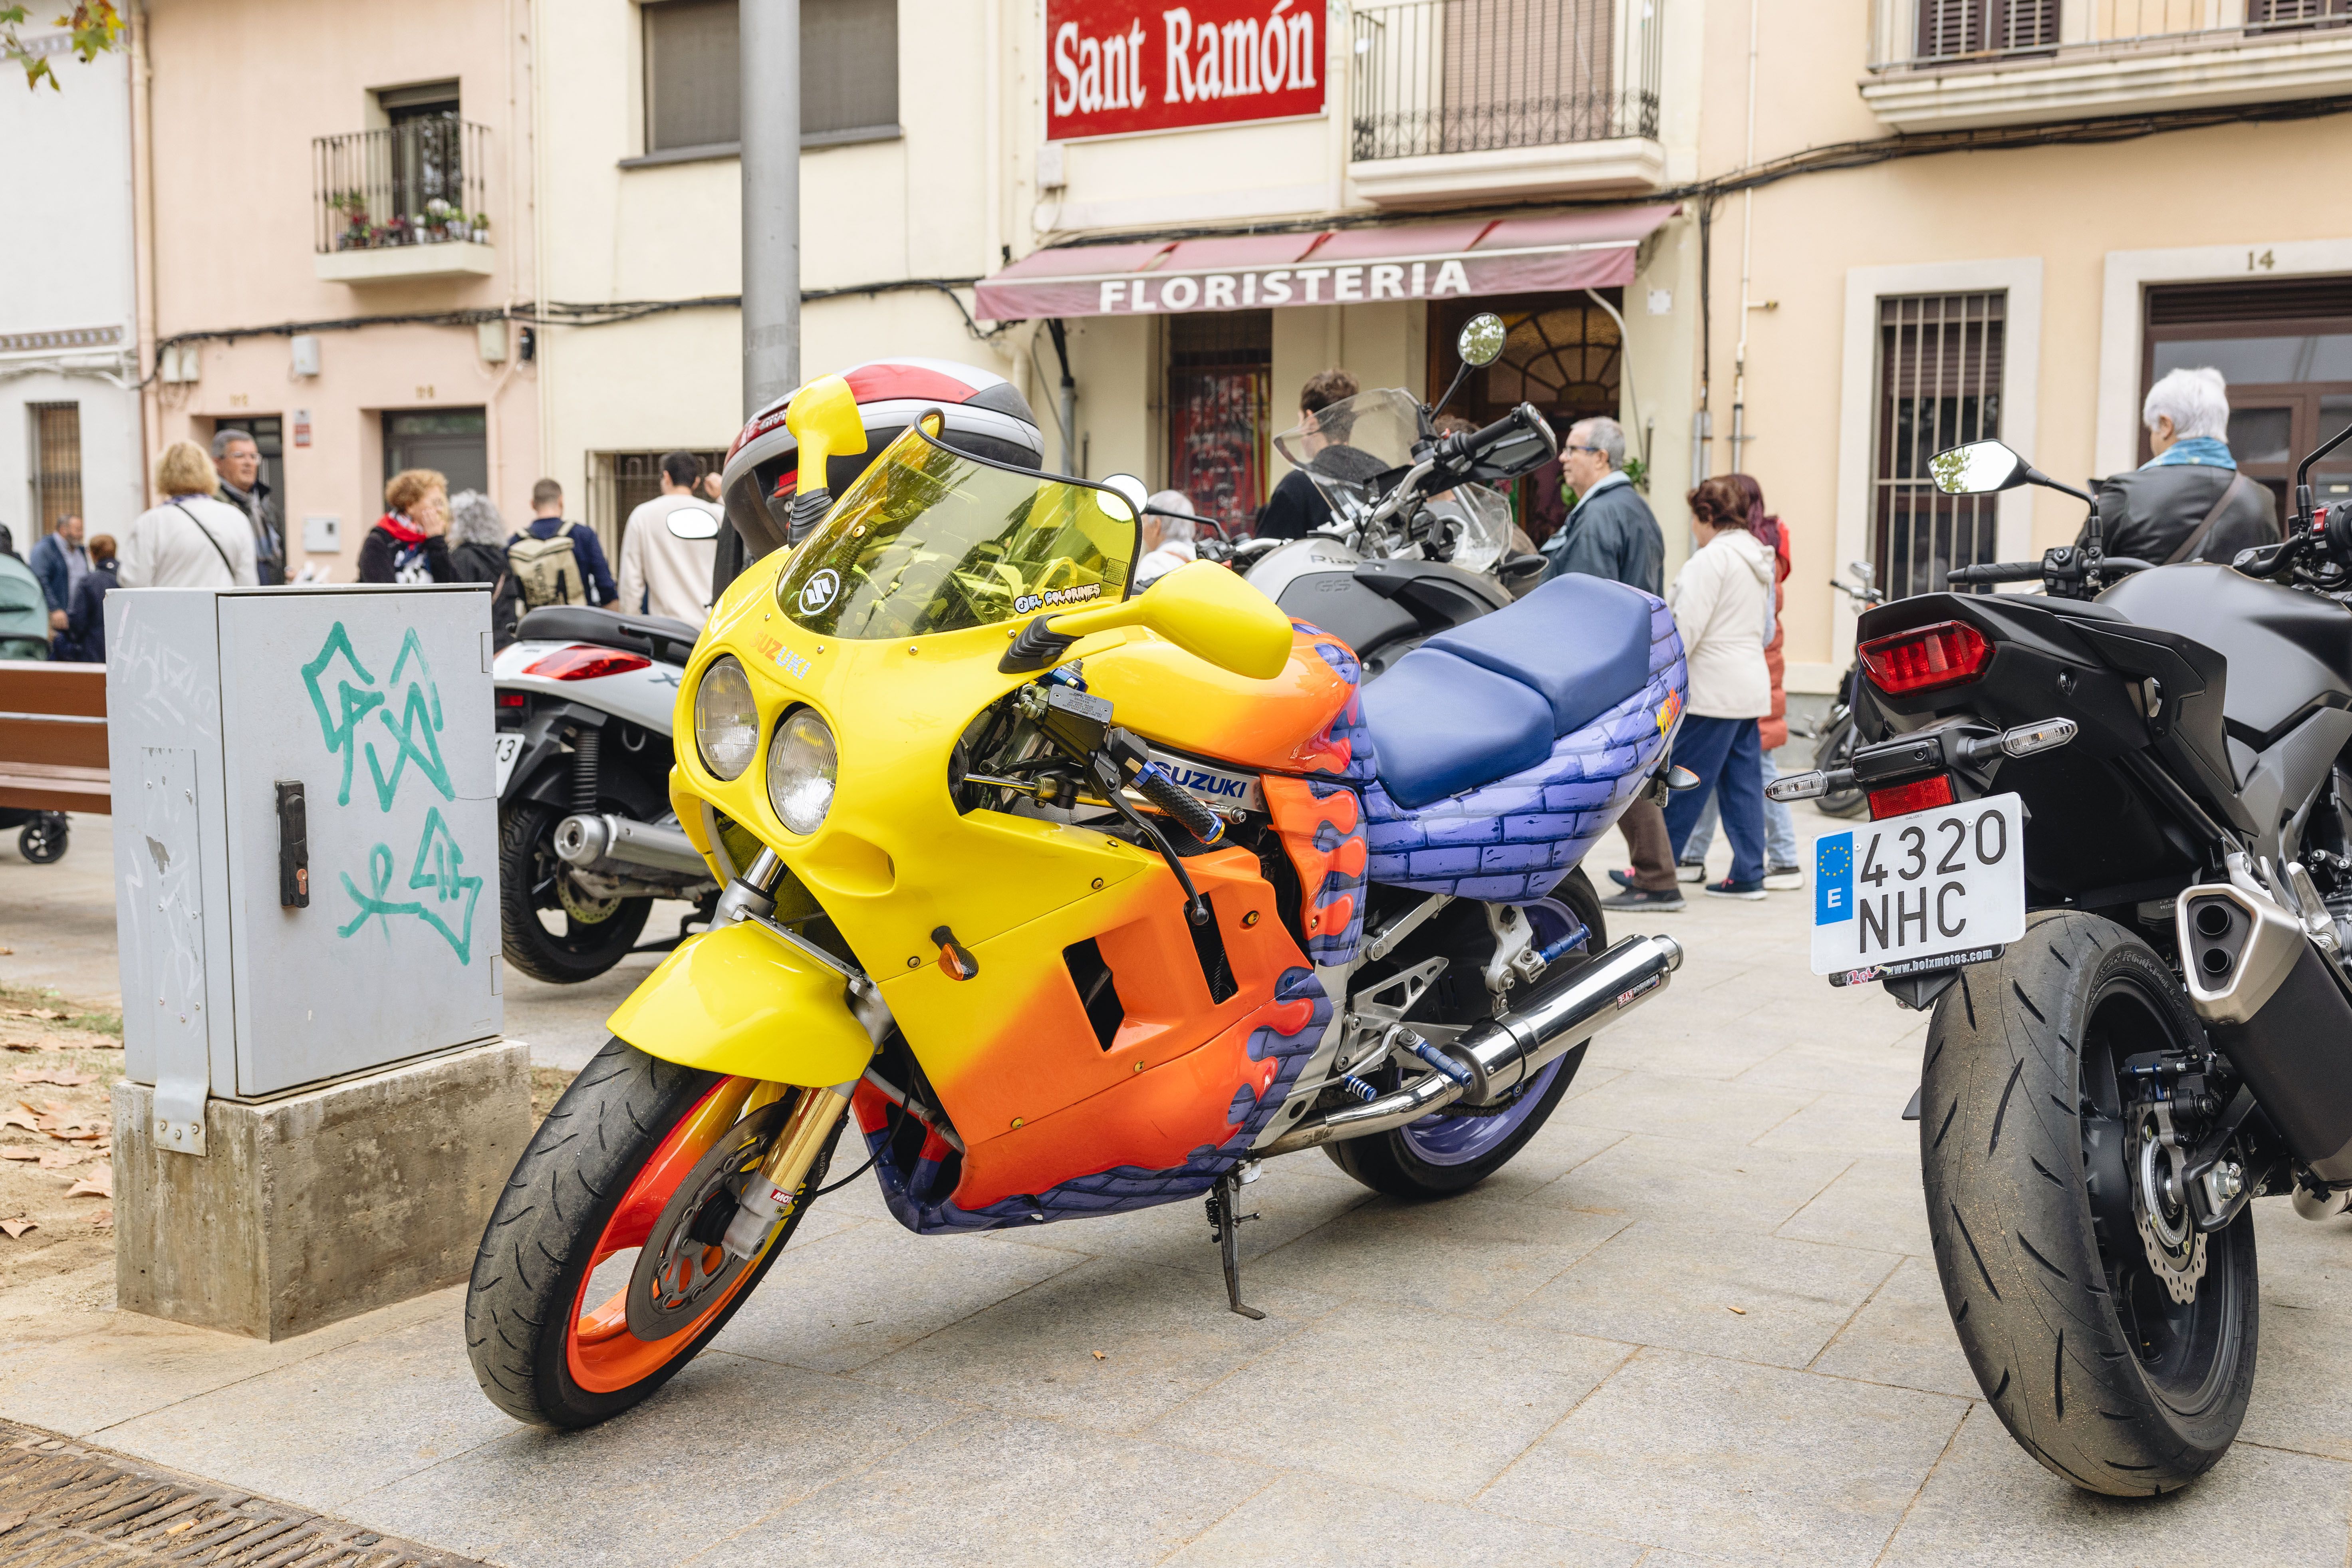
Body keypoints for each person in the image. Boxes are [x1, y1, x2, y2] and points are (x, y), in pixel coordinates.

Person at [1669, 474, 1805, 891]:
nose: (1692, 528)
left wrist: (1663, 673)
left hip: (1712, 691)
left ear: (1708, 516)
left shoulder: (1711, 560)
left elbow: (1684, 626)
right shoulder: (1756, 557)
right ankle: (1749, 873)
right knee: (1742, 786)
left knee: (1683, 782)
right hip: (1748, 687)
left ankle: (1655, 872)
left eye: (1694, 518)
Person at [2083, 366, 2278, 566]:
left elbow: (2076, 575)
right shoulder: (2261, 499)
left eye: (2152, 430)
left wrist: (2103, 511)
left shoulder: (2125, 492)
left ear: (2166, 425)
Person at [1541, 416, 1662, 593]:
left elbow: (1585, 602)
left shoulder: (1598, 515)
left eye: (1571, 450)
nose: (1562, 458)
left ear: (1600, 458)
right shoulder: (1637, 506)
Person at [119, 441, 258, 589]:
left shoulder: (150, 522)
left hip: (169, 611)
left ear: (163, 475)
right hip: (221, 610)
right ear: (209, 471)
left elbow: (134, 583)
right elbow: (247, 585)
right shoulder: (236, 518)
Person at [617, 452, 721, 625]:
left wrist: (631, 624)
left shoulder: (642, 515)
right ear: (696, 482)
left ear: (666, 477)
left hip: (668, 631)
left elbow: (631, 584)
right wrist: (721, 494)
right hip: (713, 626)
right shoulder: (717, 513)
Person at [1256, 369, 1360, 539]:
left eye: (1300, 420)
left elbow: (1267, 559)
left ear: (1311, 422)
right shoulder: (1378, 474)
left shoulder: (1297, 487)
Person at [509, 478, 615, 610]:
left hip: (534, 625)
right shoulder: (583, 535)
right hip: (578, 624)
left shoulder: (515, 542)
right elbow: (605, 586)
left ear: (533, 504)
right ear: (561, 501)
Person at [446, 490, 524, 648]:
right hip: (506, 644)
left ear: (463, 523)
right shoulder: (500, 556)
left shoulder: (462, 557)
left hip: (478, 646)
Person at [212, 427, 286, 586]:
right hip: (231, 601)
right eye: (239, 456)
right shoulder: (213, 508)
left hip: (268, 599)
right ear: (217, 463)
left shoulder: (266, 508)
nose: (249, 463)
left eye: (254, 457)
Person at [358, 469, 456, 584]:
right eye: (435, 503)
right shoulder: (379, 542)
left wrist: (436, 541)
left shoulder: (432, 540)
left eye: (441, 504)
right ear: (410, 505)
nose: (440, 510)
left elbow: (454, 589)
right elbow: (383, 596)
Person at [27, 514, 88, 651]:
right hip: (56, 620)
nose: (81, 534)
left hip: (76, 621)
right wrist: (54, 609)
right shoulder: (44, 549)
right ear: (63, 530)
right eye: (78, 530)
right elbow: (40, 579)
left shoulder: (80, 551)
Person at [64, 534, 117, 662]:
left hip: (94, 653)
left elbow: (77, 621)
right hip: (126, 653)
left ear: (92, 554)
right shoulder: (130, 578)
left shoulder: (87, 582)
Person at [1135, 489, 1201, 585]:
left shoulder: (1155, 562)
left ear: (1156, 526)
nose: (1142, 532)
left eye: (1144, 522)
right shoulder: (1206, 560)